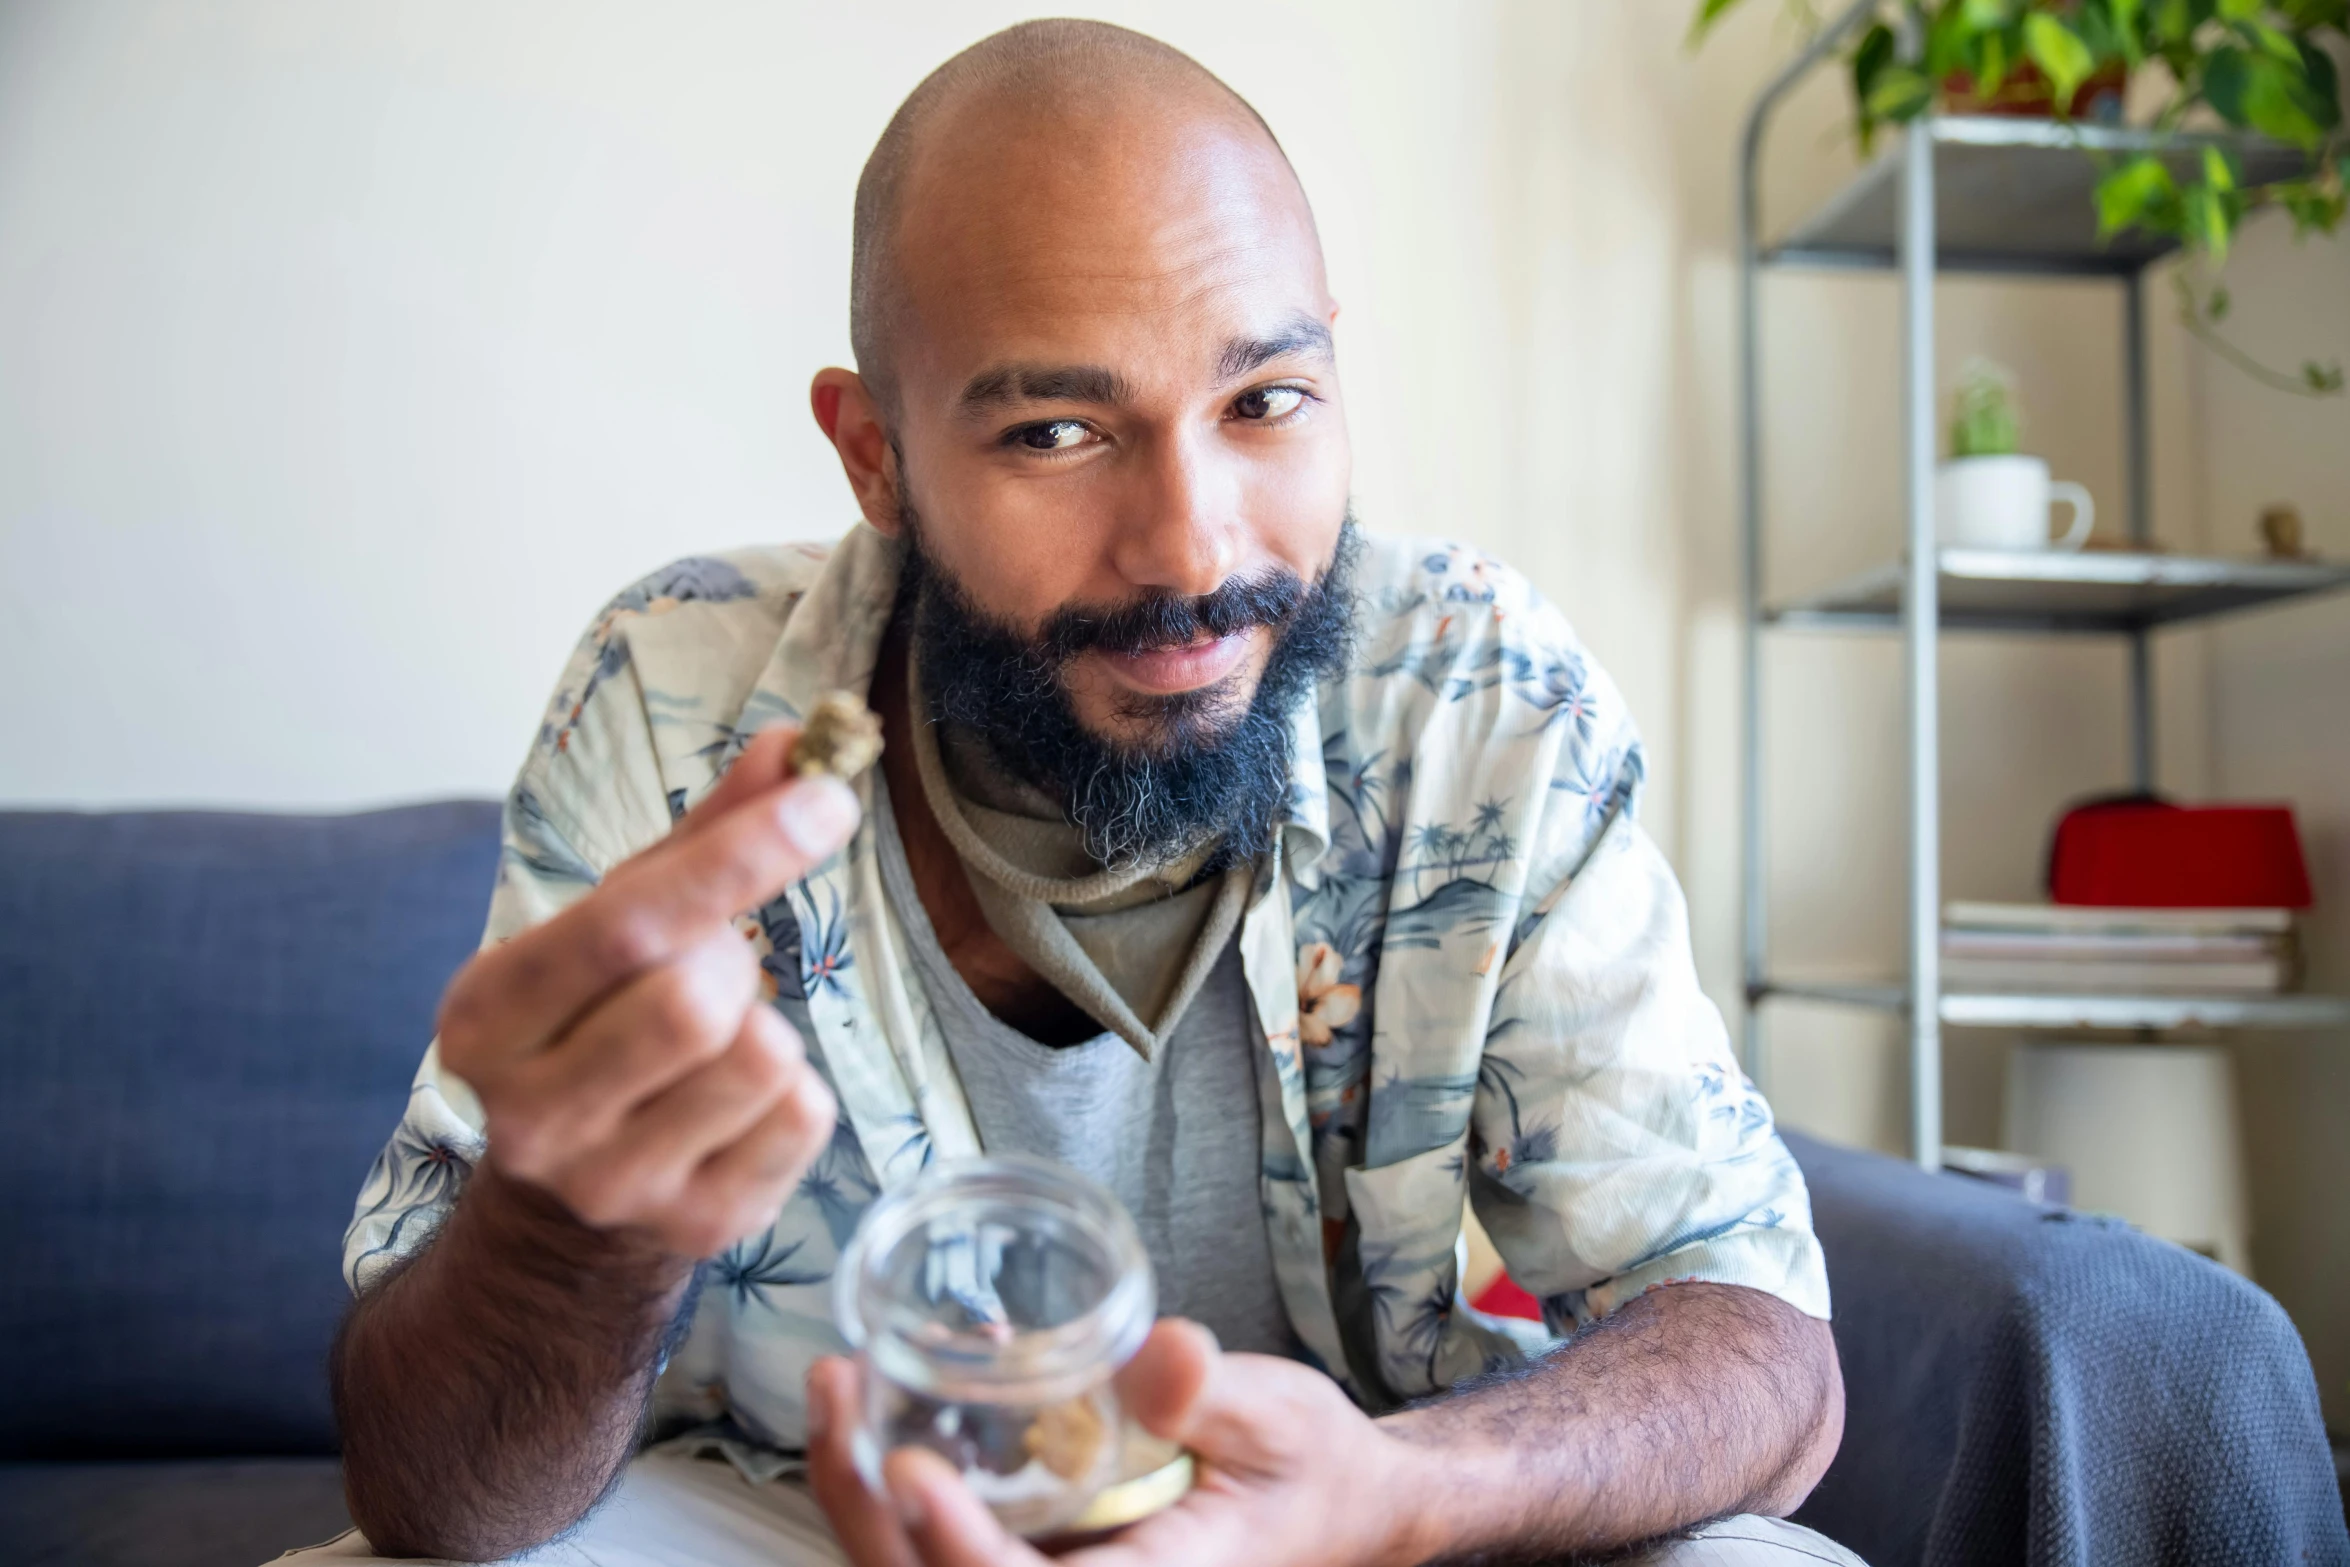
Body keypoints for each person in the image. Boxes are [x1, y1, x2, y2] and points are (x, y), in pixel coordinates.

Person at [292, 20, 1861, 1567]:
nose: (1191, 548)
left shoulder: (1476, 692)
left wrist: (1398, 1491)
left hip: (1368, 1511)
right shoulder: (673, 692)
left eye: (1264, 401)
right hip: (792, 1513)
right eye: (1057, 431)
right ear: (875, 457)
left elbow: (1759, 1346)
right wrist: (572, 1229)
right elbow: (433, 1499)